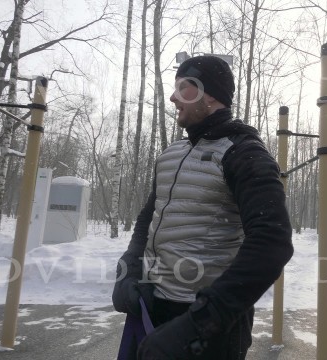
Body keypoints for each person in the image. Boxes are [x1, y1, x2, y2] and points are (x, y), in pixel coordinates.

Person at [112, 55, 294, 360]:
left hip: (210, 326)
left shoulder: (244, 153)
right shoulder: (171, 153)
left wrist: (199, 323)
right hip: (154, 305)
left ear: (208, 94)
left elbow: (271, 243)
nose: (172, 97)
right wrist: (129, 269)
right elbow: (149, 217)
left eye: (183, 88)